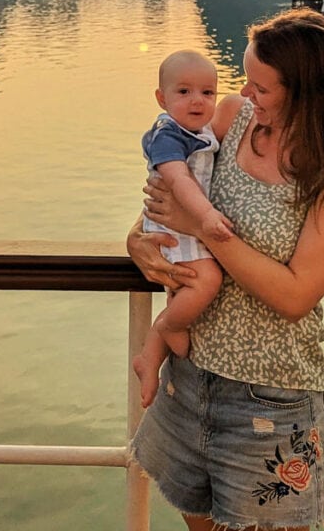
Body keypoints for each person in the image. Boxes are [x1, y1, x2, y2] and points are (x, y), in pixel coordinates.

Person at [127, 8, 324, 531]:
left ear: (304, 91)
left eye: (260, 86)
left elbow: (294, 296)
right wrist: (139, 237)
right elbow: (175, 190)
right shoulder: (232, 118)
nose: (244, 92)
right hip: (190, 376)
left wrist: (212, 237)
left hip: (271, 397)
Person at [133, 50, 233, 409]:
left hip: (187, 228)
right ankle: (168, 328)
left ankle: (149, 359)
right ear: (162, 98)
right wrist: (206, 217)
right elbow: (178, 179)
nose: (198, 101)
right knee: (207, 281)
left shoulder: (201, 132)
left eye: (208, 93)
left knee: (184, 289)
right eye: (184, 92)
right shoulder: (168, 134)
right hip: (174, 230)